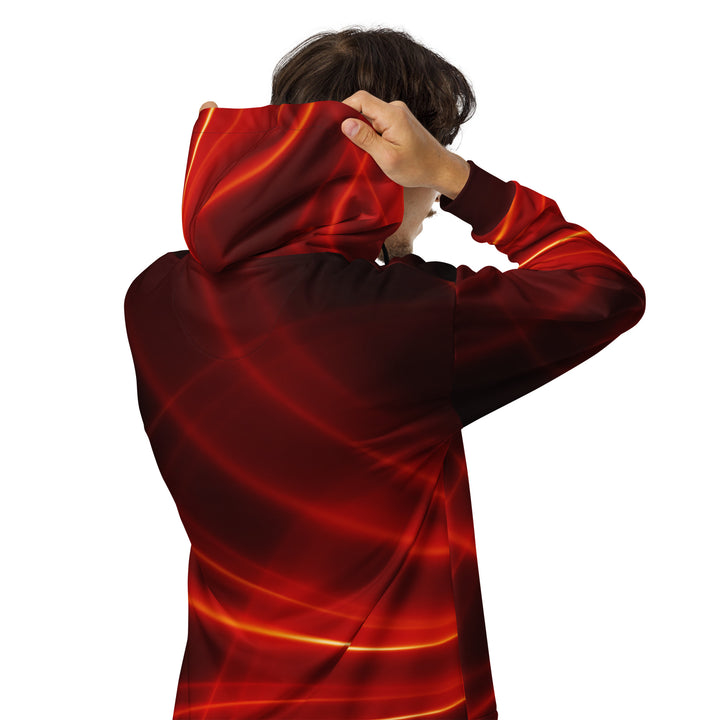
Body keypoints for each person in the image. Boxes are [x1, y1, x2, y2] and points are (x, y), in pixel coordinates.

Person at [124, 27, 645, 720]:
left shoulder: (155, 295)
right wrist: (460, 179)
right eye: (427, 157)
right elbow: (605, 289)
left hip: (223, 697)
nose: (433, 199)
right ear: (384, 160)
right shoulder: (411, 322)